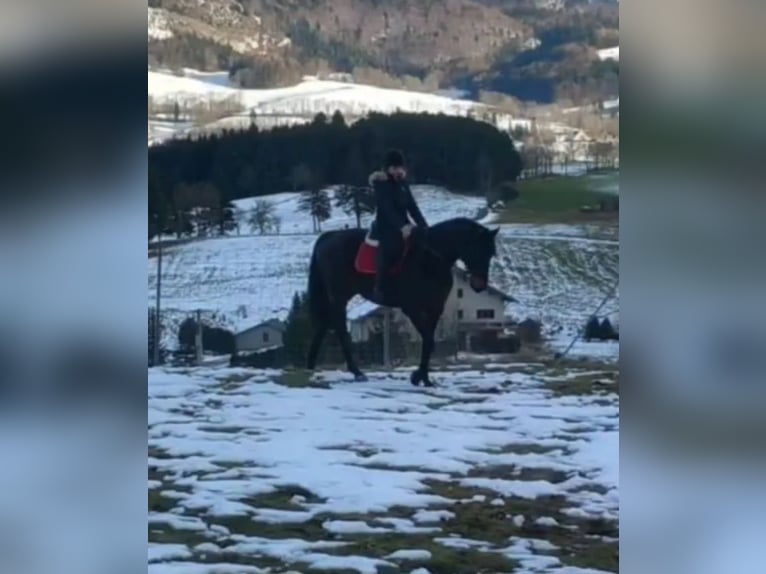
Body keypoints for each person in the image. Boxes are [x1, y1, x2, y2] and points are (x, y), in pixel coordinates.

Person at [368, 149, 428, 299]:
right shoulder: (381, 184)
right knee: (391, 247)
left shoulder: (403, 185)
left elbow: (412, 207)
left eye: (399, 167)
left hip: (404, 226)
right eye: (394, 168)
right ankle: (380, 287)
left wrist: (424, 226)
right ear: (387, 169)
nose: (397, 171)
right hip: (386, 227)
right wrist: (402, 226)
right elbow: (387, 209)